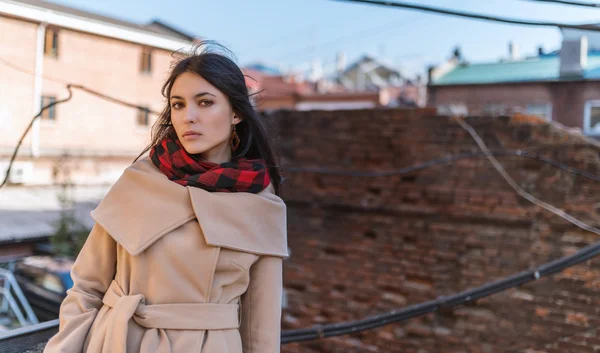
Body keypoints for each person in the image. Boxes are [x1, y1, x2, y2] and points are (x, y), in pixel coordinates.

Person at [43, 41, 288, 353]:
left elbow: (260, 329)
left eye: (205, 102)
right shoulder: (139, 181)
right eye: (178, 104)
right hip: (118, 341)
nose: (189, 117)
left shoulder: (262, 206)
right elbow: (87, 288)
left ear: (237, 112)